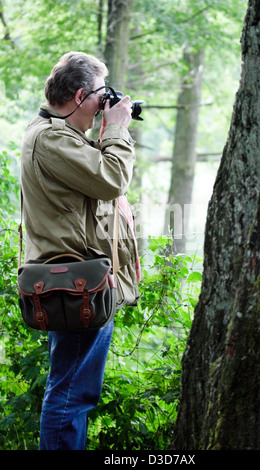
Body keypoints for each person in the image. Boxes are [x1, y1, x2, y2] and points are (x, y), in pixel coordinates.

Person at [20, 51, 140, 450]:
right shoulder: (51, 138)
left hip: (82, 279)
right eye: (100, 95)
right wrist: (117, 128)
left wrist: (107, 125)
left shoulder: (62, 135)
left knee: (75, 392)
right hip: (75, 284)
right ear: (79, 95)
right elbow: (111, 178)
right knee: (71, 394)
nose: (104, 104)